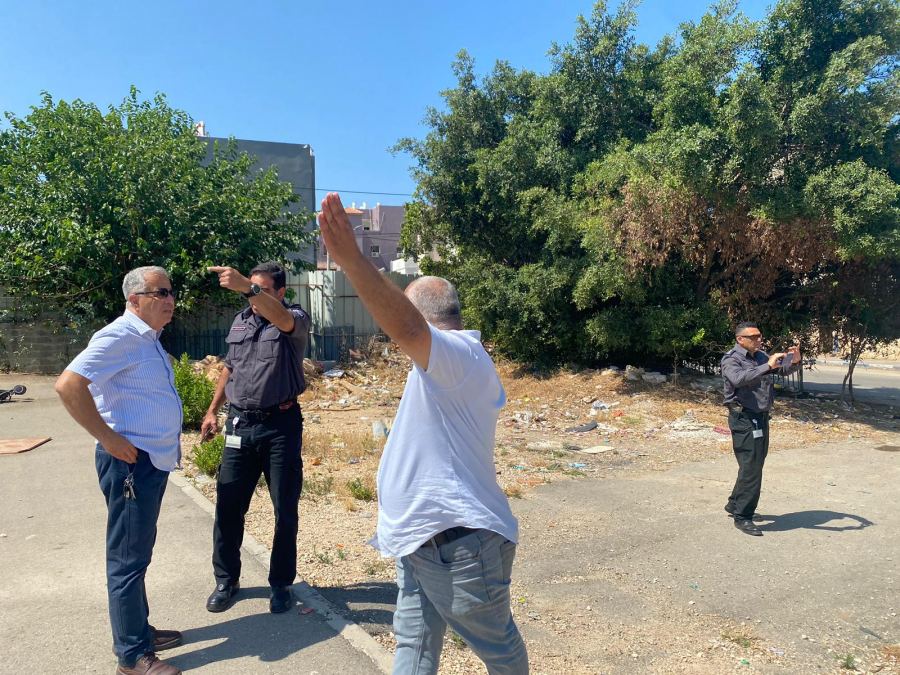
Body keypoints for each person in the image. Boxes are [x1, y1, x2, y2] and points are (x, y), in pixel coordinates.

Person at [318, 193, 529, 675]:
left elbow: (410, 330)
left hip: (458, 547)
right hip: (420, 542)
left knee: (499, 650)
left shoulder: (458, 355)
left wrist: (352, 261)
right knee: (413, 648)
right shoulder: (445, 367)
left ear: (423, 314)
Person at [55, 266, 184, 675]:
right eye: (160, 293)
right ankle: (131, 656)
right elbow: (68, 385)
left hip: (150, 462)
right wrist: (108, 438)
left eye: (171, 292)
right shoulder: (119, 337)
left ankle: (138, 631)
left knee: (138, 552)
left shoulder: (148, 338)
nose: (169, 299)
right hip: (130, 464)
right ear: (134, 299)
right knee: (127, 559)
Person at [202, 262, 310, 614]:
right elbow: (229, 367)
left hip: (280, 427)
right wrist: (212, 410)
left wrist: (248, 287)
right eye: (251, 289)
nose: (253, 296)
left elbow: (282, 319)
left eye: (261, 290)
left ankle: (281, 584)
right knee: (228, 506)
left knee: (284, 510)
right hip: (240, 425)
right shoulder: (241, 321)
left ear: (280, 292)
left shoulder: (294, 318)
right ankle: (226, 580)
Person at [721, 322, 802, 536]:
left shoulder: (760, 356)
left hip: (760, 417)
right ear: (740, 339)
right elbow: (739, 379)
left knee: (754, 464)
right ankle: (743, 516)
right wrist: (767, 365)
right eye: (754, 337)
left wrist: (794, 360)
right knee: (751, 467)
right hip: (744, 418)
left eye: (759, 336)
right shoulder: (731, 359)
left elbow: (782, 370)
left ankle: (734, 503)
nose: (759, 340)